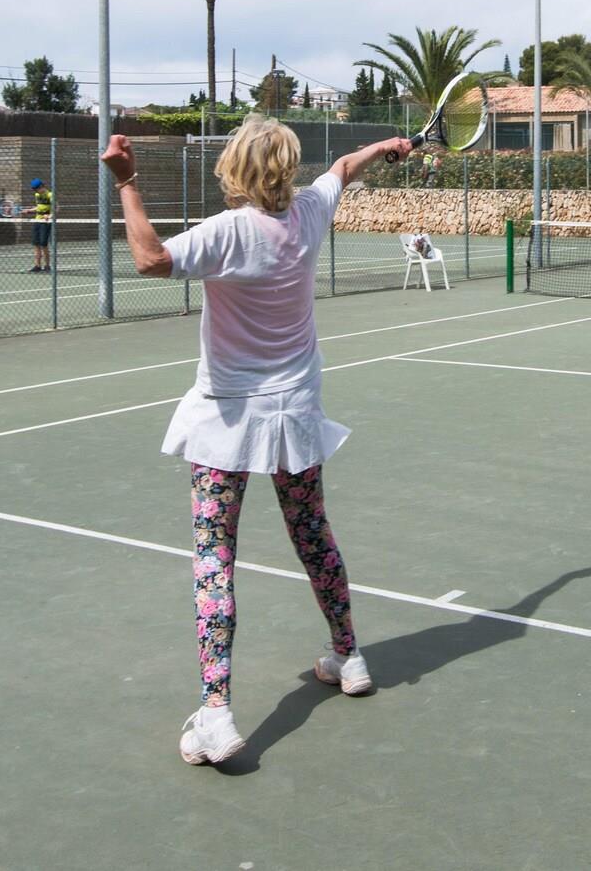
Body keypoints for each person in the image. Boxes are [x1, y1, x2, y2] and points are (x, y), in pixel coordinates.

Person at [100, 115, 414, 767]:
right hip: (294, 415)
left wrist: (127, 183)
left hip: (226, 422)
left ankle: (216, 713)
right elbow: (344, 167)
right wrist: (383, 148)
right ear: (287, 168)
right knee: (313, 534)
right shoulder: (310, 213)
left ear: (235, 167)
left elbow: (150, 259)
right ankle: (349, 655)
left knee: (214, 557)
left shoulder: (229, 232)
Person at [27, 177, 53, 273]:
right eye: (34, 189)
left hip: (45, 222)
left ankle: (47, 266)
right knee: (36, 244)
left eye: (37, 189)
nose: (36, 191)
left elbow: (56, 208)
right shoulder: (37, 195)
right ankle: (37, 266)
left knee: (43, 244)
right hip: (37, 220)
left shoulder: (50, 195)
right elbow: (38, 207)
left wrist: (49, 216)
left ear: (42, 186)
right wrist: (30, 210)